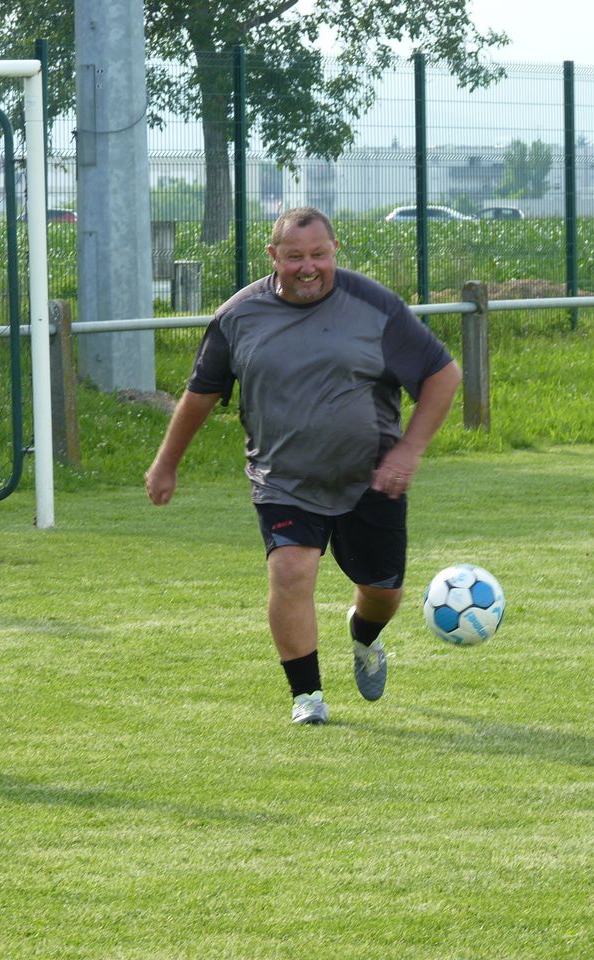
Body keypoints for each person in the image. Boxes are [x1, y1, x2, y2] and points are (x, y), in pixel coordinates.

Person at [145, 206, 461, 725]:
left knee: (383, 593)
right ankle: (307, 697)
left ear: (335, 251)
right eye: (294, 257)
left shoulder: (375, 306)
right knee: (290, 570)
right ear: (274, 256)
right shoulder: (238, 316)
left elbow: (443, 375)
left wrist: (409, 451)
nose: (307, 267)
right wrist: (165, 465)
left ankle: (364, 635)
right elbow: (200, 394)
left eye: (318, 254)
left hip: (370, 477)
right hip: (283, 479)